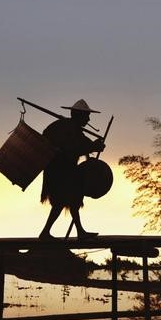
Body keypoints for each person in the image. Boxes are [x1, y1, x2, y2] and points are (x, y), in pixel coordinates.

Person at [39, 99, 105, 241]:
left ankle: (79, 232)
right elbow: (74, 148)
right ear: (79, 115)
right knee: (61, 202)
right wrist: (93, 147)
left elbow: (83, 144)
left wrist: (95, 146)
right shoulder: (67, 128)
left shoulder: (71, 128)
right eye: (86, 116)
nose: (88, 119)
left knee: (72, 201)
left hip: (65, 172)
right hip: (59, 172)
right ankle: (46, 232)